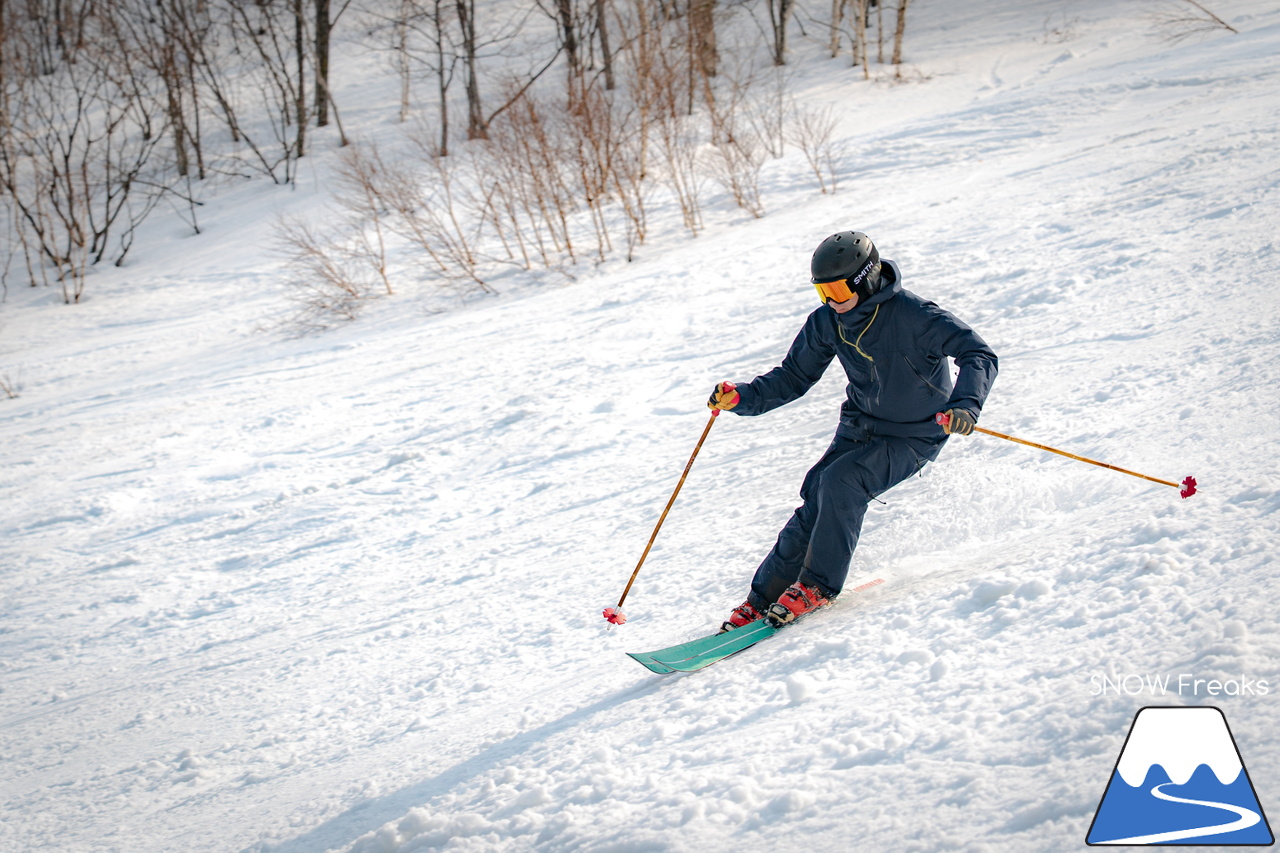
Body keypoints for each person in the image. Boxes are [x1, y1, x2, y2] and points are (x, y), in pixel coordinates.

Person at [709, 231, 998, 632]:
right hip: (860, 425)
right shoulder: (828, 321)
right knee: (818, 494)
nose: (831, 300)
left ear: (866, 279)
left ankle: (817, 586)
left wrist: (965, 403)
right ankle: (763, 599)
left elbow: (978, 353)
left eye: (838, 289)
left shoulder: (916, 316)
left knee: (843, 482)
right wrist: (743, 397)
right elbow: (793, 376)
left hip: (914, 434)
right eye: (822, 291)